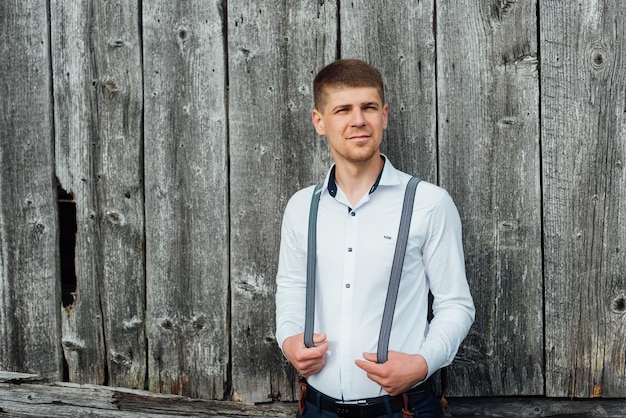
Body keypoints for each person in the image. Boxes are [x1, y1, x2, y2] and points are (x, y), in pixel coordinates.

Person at [275, 59, 475, 418]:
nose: (357, 120)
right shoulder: (302, 206)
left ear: (383, 115)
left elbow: (456, 304)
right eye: (342, 110)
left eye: (368, 107)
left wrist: (421, 363)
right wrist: (289, 339)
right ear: (319, 121)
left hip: (404, 409)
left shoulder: (428, 203)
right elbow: (291, 287)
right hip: (317, 409)